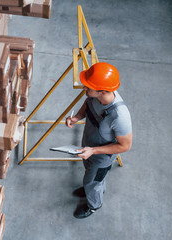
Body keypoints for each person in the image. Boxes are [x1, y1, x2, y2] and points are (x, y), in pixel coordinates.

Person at [65, 62, 132, 219]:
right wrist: (76, 118)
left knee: (92, 182)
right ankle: (93, 186)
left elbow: (125, 145)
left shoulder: (119, 116)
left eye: (88, 87)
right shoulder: (94, 97)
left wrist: (93, 151)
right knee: (92, 177)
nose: (84, 89)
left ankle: (94, 205)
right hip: (89, 147)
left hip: (101, 157)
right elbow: (88, 105)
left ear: (102, 91)